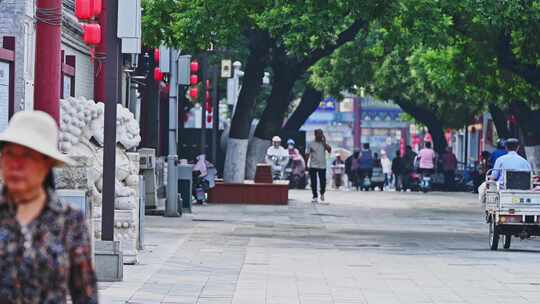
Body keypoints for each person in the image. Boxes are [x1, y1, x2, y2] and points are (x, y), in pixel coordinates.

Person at [0, 111, 97, 303]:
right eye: (9, 154)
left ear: (47, 163)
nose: (15, 165)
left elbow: (85, 294)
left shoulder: (69, 221)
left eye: (27, 156)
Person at [479, 138, 532, 203]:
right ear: (518, 148)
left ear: (506, 147)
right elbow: (529, 177)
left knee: (484, 186)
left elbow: (494, 177)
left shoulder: (500, 160)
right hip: (522, 189)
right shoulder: (525, 162)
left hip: (503, 188)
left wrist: (489, 177)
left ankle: (488, 205)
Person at [306, 129, 331, 203]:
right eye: (319, 134)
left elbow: (329, 150)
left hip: (322, 165)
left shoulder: (323, 144)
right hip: (313, 165)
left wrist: (324, 142)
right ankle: (315, 196)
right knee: (313, 182)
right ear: (315, 135)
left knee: (323, 181)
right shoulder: (310, 143)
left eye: (321, 134)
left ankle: (322, 193)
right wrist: (306, 164)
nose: (320, 136)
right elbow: (307, 154)